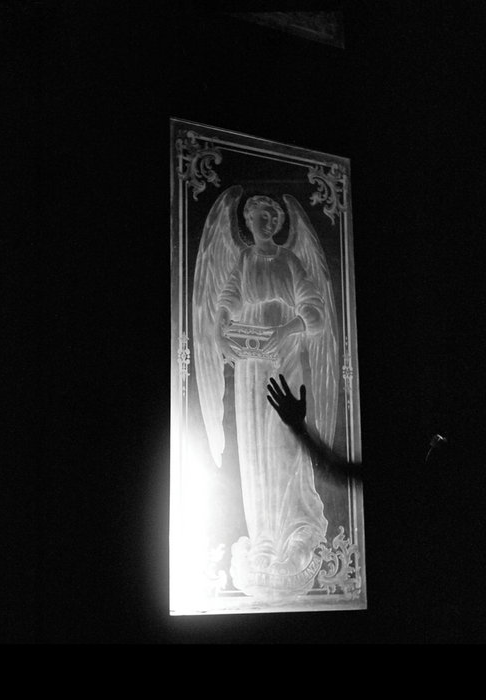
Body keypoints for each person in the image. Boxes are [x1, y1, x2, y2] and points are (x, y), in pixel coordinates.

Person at [195, 192, 338, 602]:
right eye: (257, 216)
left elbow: (315, 311)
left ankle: (294, 531)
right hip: (249, 364)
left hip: (284, 357)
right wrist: (221, 328)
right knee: (255, 446)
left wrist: (284, 329)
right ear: (247, 221)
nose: (265, 223)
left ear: (277, 223)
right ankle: (263, 539)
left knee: (283, 441)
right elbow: (227, 300)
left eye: (270, 217)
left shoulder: (289, 261)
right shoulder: (244, 260)